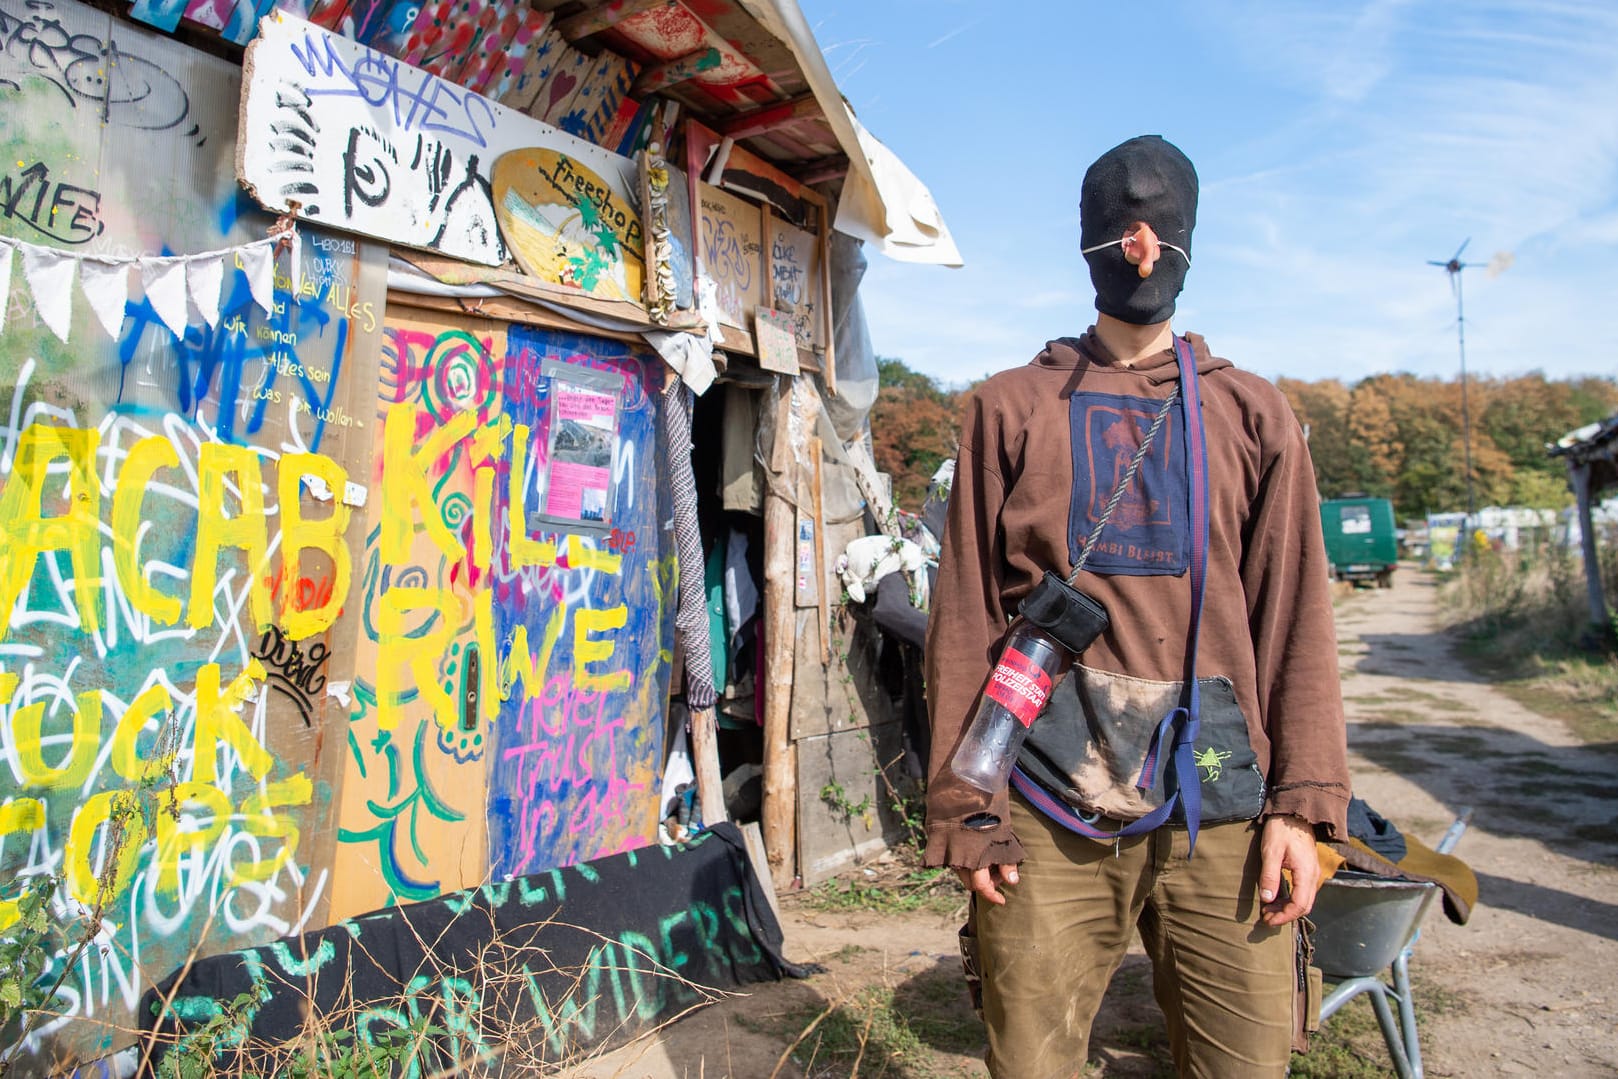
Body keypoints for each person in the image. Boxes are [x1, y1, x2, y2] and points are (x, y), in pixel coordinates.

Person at [923, 135, 1350, 1078]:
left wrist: (1306, 806)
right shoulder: (1010, 406)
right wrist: (968, 807)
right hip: (1043, 791)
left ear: (1189, 241)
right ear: (1091, 244)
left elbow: (1297, 623)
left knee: (1244, 1063)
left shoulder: (1254, 414)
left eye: (1162, 229)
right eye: (1126, 229)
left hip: (1220, 789)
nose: (1144, 250)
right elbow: (963, 622)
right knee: (1031, 1060)